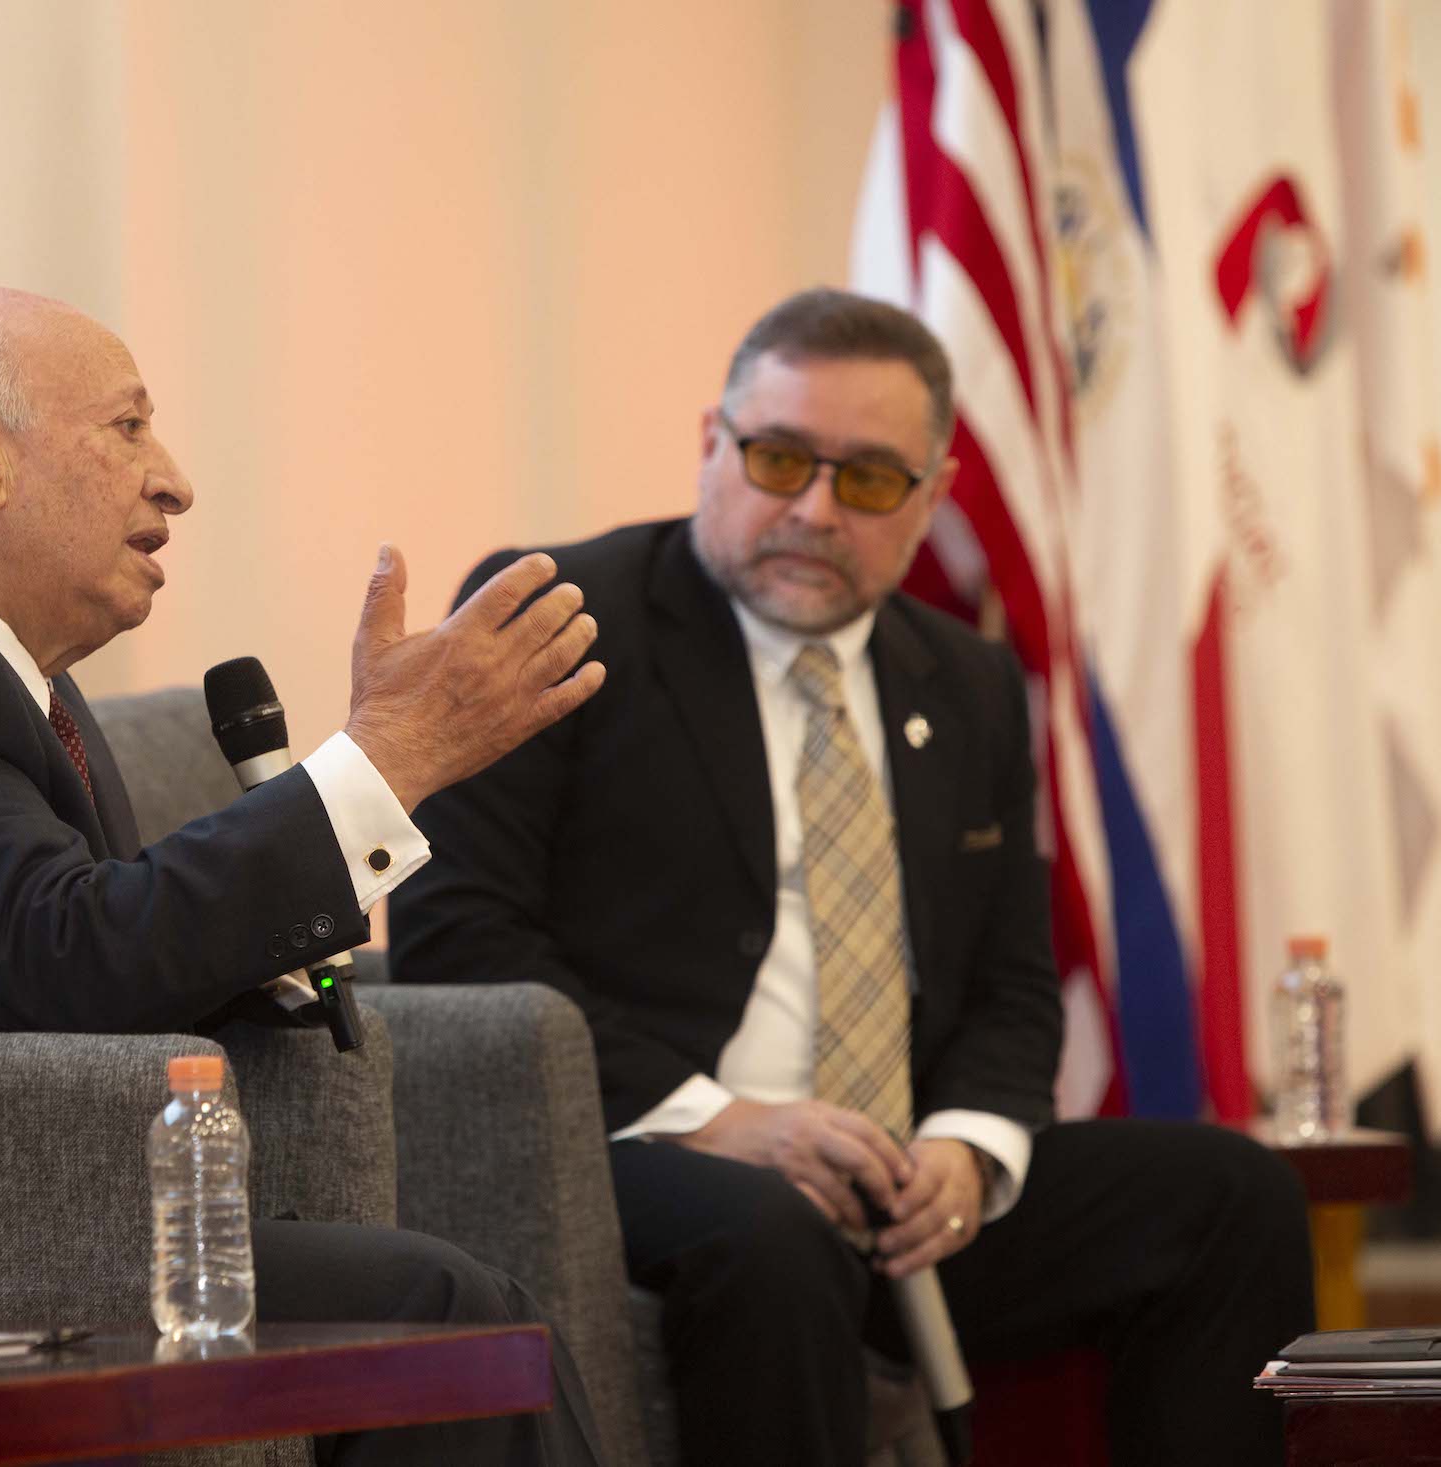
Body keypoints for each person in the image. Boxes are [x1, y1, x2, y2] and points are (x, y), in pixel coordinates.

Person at [0, 285, 606, 1467]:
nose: (175, 478)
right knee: (435, 1310)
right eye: (128, 428)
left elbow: (25, 955)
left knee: (438, 1296)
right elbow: (70, 959)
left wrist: (259, 969)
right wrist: (384, 763)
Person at [389, 288, 1315, 1466]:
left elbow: (1013, 987)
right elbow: (459, 948)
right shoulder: (563, 617)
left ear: (928, 501)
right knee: (770, 1231)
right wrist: (726, 1123)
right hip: (652, 1156)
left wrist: (969, 1151)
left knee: (1230, 1195)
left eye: (869, 479)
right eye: (778, 459)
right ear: (711, 445)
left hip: (898, 1179)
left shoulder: (968, 680)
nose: (815, 510)